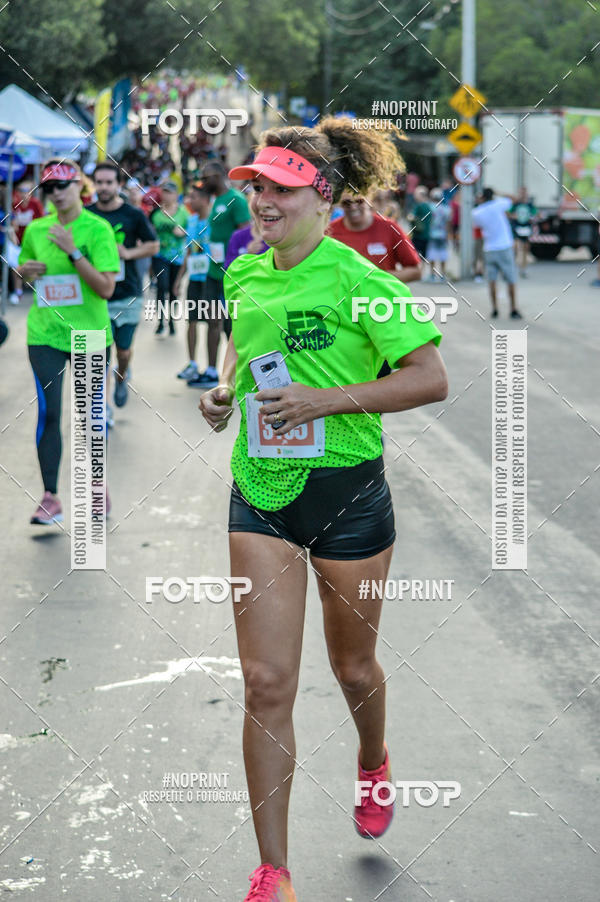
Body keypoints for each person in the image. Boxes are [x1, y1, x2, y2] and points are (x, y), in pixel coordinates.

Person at [199, 119, 448, 902]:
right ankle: (273, 871)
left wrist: (324, 400)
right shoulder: (244, 274)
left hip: (347, 496)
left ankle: (372, 762)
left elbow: (429, 376)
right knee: (266, 681)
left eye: (278, 188)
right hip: (262, 492)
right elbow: (245, 350)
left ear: (323, 195)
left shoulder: (360, 279)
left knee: (352, 667)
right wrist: (225, 388)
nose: (262, 201)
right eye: (256, 188)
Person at [16, 160, 120, 525]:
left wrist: (74, 252)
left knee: (90, 417)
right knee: (49, 412)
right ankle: (50, 497)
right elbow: (24, 279)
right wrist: (22, 273)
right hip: (44, 334)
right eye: (48, 188)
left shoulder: (98, 229)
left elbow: (106, 288)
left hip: (89, 334)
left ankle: (95, 486)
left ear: (80, 186)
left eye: (63, 185)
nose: (56, 193)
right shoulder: (37, 230)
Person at [88, 162, 159, 415]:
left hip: (128, 293)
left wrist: (128, 253)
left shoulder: (133, 215)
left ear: (118, 185)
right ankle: (101, 406)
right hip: (95, 296)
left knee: (124, 350)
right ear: (93, 184)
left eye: (109, 182)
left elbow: (153, 246)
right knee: (98, 355)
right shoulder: (86, 216)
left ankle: (122, 376)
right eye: (99, 182)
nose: (104, 187)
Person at [186, 161, 250, 386]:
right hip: (213, 272)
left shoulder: (236, 200)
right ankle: (212, 370)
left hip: (231, 272)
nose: (203, 182)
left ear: (218, 176)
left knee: (230, 326)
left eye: (206, 177)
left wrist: (238, 263)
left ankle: (236, 373)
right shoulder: (214, 201)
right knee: (212, 320)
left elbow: (246, 233)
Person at [326, 193, 422, 282]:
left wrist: (377, 278)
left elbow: (416, 271)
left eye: (359, 201)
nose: (353, 207)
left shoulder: (390, 228)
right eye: (346, 203)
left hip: (380, 299)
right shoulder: (329, 231)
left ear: (369, 200)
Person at [174, 181, 214, 382]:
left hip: (212, 279)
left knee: (215, 322)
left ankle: (213, 369)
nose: (190, 200)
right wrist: (180, 278)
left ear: (206, 200)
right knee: (192, 321)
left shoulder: (216, 221)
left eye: (194, 197)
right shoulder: (191, 221)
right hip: (195, 279)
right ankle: (192, 364)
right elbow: (189, 251)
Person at [471, 187, 522, 319]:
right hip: (504, 246)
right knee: (511, 279)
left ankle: (494, 309)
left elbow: (478, 227)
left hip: (489, 248)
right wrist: (498, 193)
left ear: (482, 198)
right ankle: (513, 308)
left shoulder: (476, 212)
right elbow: (513, 199)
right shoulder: (499, 204)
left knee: (492, 280)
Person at [150, 181, 189, 334]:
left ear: (176, 194)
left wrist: (183, 232)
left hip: (178, 257)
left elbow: (191, 231)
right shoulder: (156, 214)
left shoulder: (183, 212)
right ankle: (160, 322)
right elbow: (149, 232)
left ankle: (172, 322)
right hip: (160, 256)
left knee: (173, 290)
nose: (166, 195)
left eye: (169, 192)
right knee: (162, 287)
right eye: (164, 192)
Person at [11, 182, 45, 305]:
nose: (23, 193)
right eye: (20, 190)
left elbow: (42, 222)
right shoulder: (14, 205)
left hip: (33, 242)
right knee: (16, 266)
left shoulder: (35, 204)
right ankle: (18, 292)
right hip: (18, 243)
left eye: (26, 190)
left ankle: (40, 292)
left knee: (37, 266)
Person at [425, 187, 452, 282]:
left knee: (432, 254)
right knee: (443, 254)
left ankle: (432, 275)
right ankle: (442, 275)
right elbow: (449, 222)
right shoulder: (446, 208)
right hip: (442, 234)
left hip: (432, 233)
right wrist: (449, 234)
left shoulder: (429, 207)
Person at [509, 187, 537, 277]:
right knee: (515, 247)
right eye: (521, 192)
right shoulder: (515, 204)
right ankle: (512, 267)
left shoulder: (529, 204)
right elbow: (508, 212)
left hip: (526, 228)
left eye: (524, 192)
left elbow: (535, 213)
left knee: (525, 248)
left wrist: (533, 217)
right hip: (516, 227)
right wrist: (513, 216)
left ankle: (523, 268)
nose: (522, 194)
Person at [407, 185, 431, 262]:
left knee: (416, 257)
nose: (414, 196)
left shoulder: (419, 206)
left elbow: (411, 217)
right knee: (423, 257)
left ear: (421, 195)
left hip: (417, 235)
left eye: (416, 194)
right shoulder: (429, 206)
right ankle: (423, 273)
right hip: (427, 235)